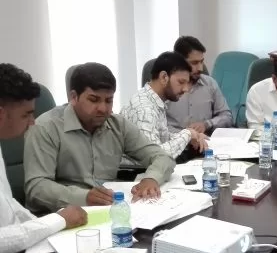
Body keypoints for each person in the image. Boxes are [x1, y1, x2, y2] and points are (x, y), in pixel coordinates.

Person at [24, 62, 175, 213]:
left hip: (108, 209)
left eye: (109, 100)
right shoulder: (45, 127)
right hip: (61, 214)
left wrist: (151, 179)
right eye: (94, 99)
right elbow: (36, 187)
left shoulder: (118, 125)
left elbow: (162, 157)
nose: (103, 108)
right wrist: (84, 197)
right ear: (73, 97)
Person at [0, 64, 87, 253]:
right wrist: (57, 221)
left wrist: (47, 225)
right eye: (26, 114)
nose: (32, 122)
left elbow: (8, 204)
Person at [122, 52, 207, 160]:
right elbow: (154, 156)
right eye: (181, 82)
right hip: (139, 170)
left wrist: (191, 136)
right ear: (163, 77)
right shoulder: (144, 109)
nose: (186, 89)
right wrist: (187, 134)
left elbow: (161, 138)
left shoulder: (154, 100)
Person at [167, 36, 233, 134]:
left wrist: (207, 124)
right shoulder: (166, 87)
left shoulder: (210, 84)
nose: (200, 68)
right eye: (194, 63)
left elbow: (227, 116)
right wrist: (187, 136)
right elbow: (157, 125)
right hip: (174, 141)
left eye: (202, 62)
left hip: (205, 141)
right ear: (179, 62)